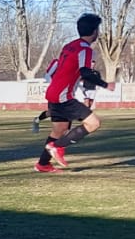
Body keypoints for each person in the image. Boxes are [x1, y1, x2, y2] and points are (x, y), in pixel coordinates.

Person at [34, 13, 106, 173]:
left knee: (59, 129)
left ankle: (43, 164)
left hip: (53, 92)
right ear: (94, 31)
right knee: (93, 123)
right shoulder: (86, 50)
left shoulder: (69, 45)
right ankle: (58, 147)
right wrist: (105, 84)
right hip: (63, 96)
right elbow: (86, 72)